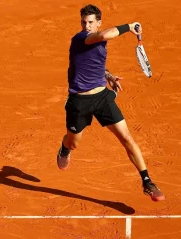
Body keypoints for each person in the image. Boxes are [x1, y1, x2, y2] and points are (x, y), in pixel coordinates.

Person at [57, 4, 165, 202]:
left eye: (90, 22)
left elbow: (94, 63)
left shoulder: (97, 41)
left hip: (102, 98)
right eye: (83, 22)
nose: (86, 25)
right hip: (79, 101)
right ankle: (64, 147)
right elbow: (105, 36)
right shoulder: (80, 38)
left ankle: (147, 181)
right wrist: (129, 26)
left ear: (99, 22)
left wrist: (108, 75)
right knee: (73, 143)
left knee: (127, 138)